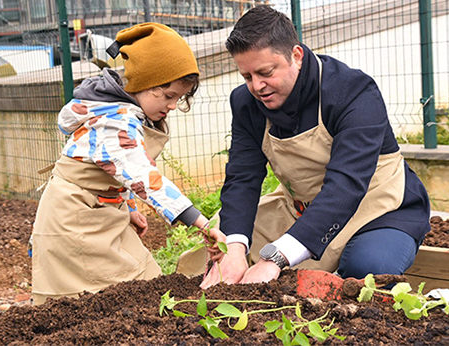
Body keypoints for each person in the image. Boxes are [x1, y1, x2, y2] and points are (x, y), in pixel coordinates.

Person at [178, 6, 431, 289]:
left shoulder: (352, 91)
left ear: (296, 56)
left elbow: (346, 186)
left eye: (265, 72)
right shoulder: (246, 103)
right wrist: (236, 249)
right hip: (299, 209)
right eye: (247, 77)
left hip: (375, 207)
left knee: (366, 270)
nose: (257, 86)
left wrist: (275, 258)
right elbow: (243, 179)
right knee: (212, 257)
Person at [31, 22, 225, 305]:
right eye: (168, 96)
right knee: (83, 298)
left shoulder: (125, 112)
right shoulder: (115, 122)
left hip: (99, 209)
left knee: (143, 281)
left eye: (179, 98)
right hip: (74, 217)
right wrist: (200, 221)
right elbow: (143, 176)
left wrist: (127, 207)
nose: (172, 106)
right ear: (143, 83)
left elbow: (118, 170)